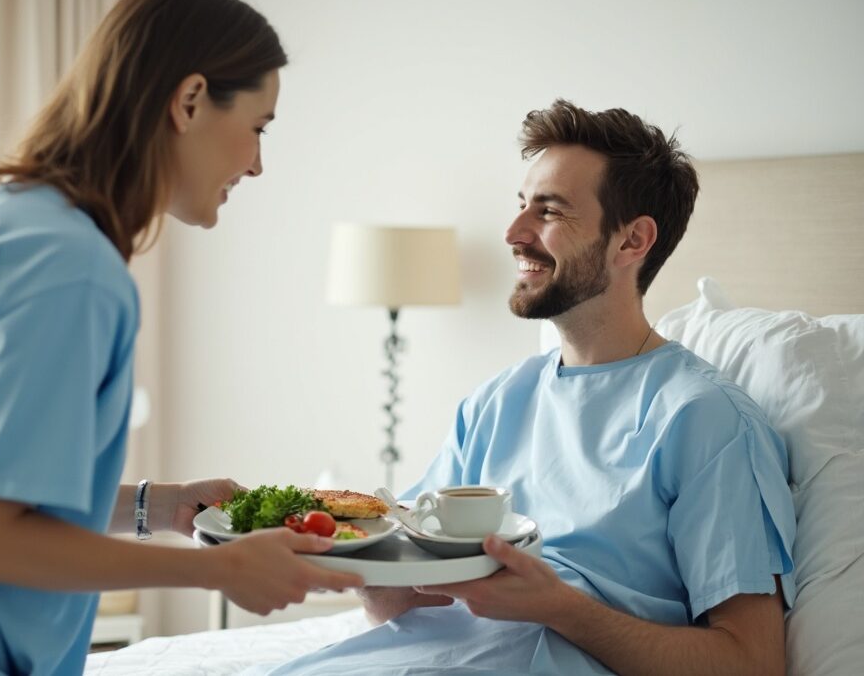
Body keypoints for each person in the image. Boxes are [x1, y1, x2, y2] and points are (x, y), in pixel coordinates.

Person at [0, 0, 362, 674]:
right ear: (191, 100)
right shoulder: (72, 270)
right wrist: (221, 572)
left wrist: (160, 506)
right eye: (259, 126)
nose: (258, 163)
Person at [251, 101, 796, 675]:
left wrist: (563, 609)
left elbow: (752, 662)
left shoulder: (706, 421)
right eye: (520, 207)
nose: (514, 234)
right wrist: (359, 562)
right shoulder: (494, 403)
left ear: (632, 241)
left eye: (550, 211)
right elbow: (402, 604)